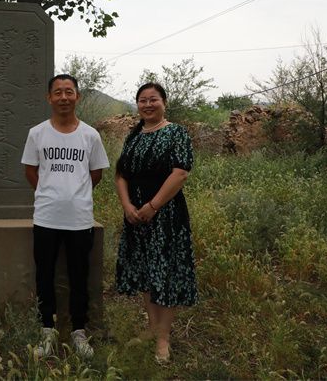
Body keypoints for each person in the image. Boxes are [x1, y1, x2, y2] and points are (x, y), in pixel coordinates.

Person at [21, 74, 110, 360]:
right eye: (57, 92)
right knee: (44, 275)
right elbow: (31, 171)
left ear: (77, 96)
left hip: (79, 219)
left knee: (79, 276)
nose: (63, 97)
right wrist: (50, 193)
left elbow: (96, 173)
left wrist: (76, 194)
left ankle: (78, 331)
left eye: (69, 92)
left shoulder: (90, 135)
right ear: (49, 97)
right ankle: (47, 330)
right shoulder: (37, 133)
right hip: (46, 217)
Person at [114, 82, 198, 364]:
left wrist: (152, 206)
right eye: (142, 100)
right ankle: (152, 328)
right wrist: (127, 206)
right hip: (136, 217)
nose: (147, 105)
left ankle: (163, 338)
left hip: (166, 216)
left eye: (153, 99)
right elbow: (121, 175)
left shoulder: (176, 133)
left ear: (164, 102)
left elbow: (180, 173)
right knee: (147, 273)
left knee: (166, 274)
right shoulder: (134, 136)